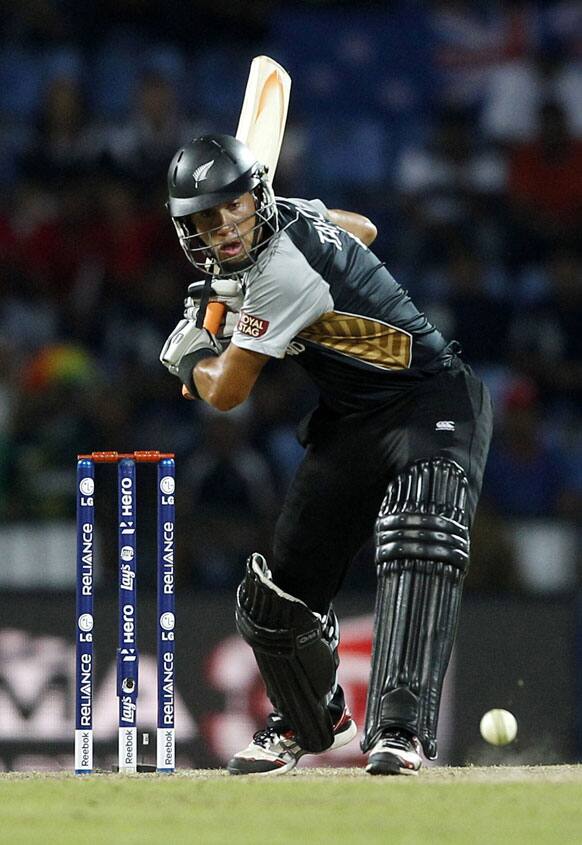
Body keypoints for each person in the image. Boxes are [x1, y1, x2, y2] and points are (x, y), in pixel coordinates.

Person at [160, 134, 493, 776]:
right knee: (280, 591)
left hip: (430, 399)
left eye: (233, 207)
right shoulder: (293, 212)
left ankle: (400, 731)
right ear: (189, 229)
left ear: (254, 197)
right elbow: (362, 229)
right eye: (207, 218)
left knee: (417, 535)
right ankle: (307, 722)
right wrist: (236, 289)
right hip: (353, 417)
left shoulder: (280, 272)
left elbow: (227, 391)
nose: (225, 226)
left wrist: (193, 352)